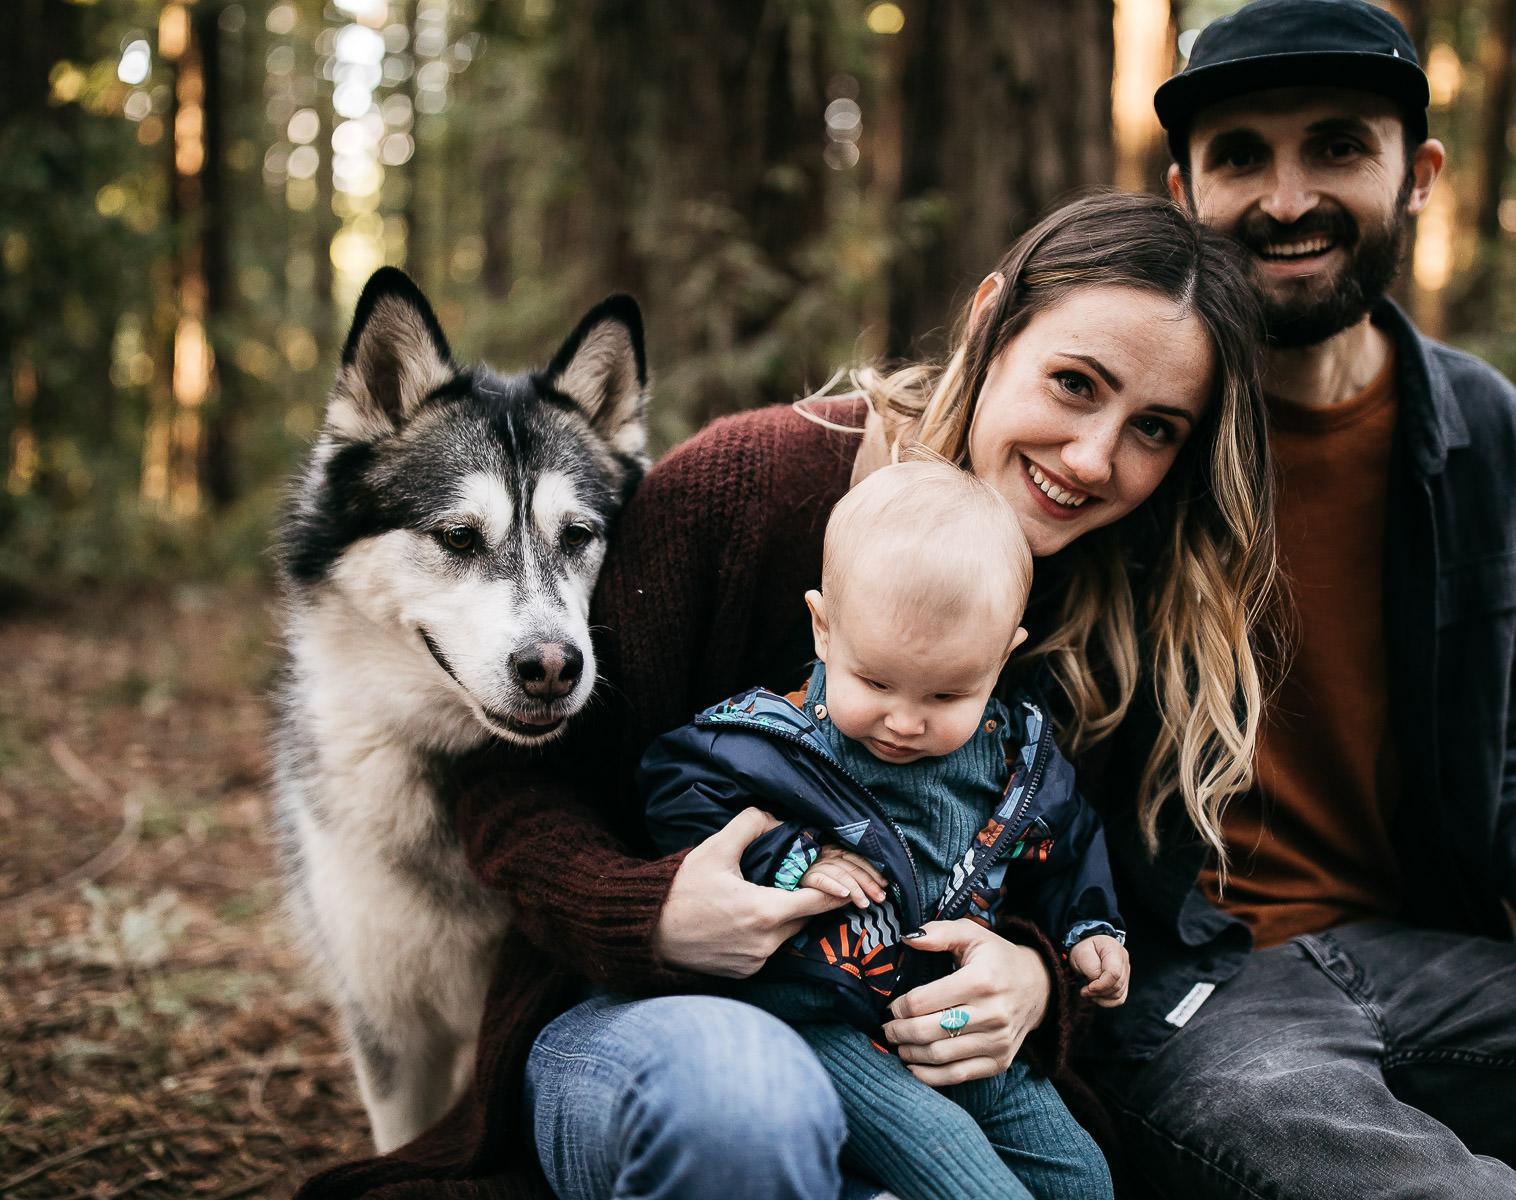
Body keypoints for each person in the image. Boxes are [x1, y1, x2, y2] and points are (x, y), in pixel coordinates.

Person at [291, 190, 1277, 1200]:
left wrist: (1038, 978)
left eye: (1153, 429)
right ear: (989, 325)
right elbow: (511, 790)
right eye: (1074, 383)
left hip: (925, 1055)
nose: (1093, 459)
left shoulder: (1118, 593)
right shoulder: (746, 490)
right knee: (749, 1104)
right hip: (657, 1027)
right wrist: (655, 911)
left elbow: (1092, 886)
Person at [1077, 2, 1516, 1198]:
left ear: (1417, 175)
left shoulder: (1489, 436)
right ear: (1183, 192)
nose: (1288, 197)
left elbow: (1504, 751)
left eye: (1337, 148)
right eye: (1242, 156)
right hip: (1197, 990)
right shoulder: (1121, 439)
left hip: (1432, 955)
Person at [638, 459, 1130, 1200]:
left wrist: (1090, 926)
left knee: (1081, 1178)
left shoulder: (1014, 759)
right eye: (874, 683)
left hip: (945, 1015)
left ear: (1002, 657)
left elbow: (1069, 844)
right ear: (824, 629)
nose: (903, 720)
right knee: (958, 1170)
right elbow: (675, 786)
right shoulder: (770, 740)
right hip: (817, 1016)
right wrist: (789, 857)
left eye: (946, 692)